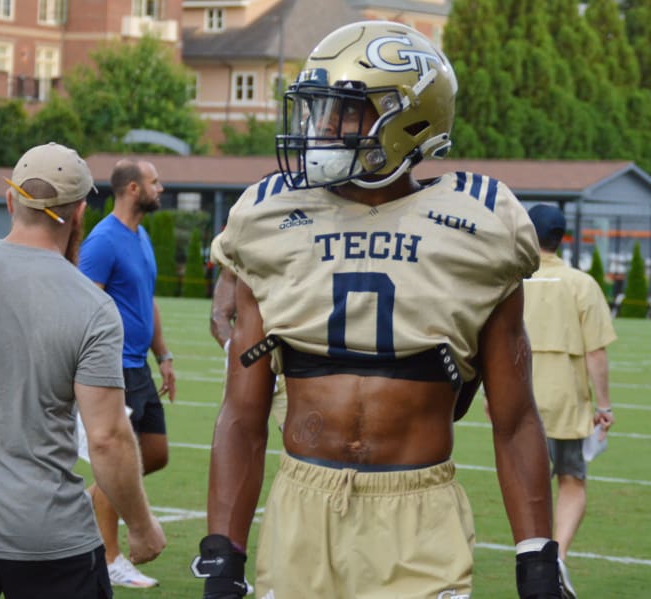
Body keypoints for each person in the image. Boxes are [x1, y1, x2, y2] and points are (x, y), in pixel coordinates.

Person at [192, 21, 564, 599]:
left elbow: (514, 415)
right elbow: (242, 412)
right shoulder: (268, 218)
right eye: (318, 111)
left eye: (344, 111)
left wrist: (536, 553)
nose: (322, 129)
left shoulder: (479, 224)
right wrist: (223, 550)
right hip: (300, 507)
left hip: (418, 509)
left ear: (410, 117)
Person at [0, 143, 166, 599]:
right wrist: (141, 526)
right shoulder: (93, 307)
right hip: (47, 537)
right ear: (79, 213)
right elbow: (106, 437)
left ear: (10, 201)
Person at [79, 158, 176, 589]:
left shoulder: (142, 237)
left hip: (140, 363)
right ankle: (110, 558)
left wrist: (165, 356)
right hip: (114, 367)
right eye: (156, 182)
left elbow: (146, 300)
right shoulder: (103, 240)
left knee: (154, 453)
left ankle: (89, 503)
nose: (163, 188)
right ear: (133, 188)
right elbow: (84, 304)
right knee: (118, 460)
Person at [523, 204, 618, 598]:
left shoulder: (513, 282)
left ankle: (537, 560)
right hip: (566, 402)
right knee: (572, 481)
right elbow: (596, 353)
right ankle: (557, 556)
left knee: (528, 488)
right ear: (562, 238)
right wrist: (605, 406)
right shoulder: (581, 283)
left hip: (521, 400)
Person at [209, 230, 287, 431]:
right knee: (236, 436)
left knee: (305, 444)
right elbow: (218, 317)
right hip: (246, 357)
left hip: (294, 359)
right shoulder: (243, 238)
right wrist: (239, 353)